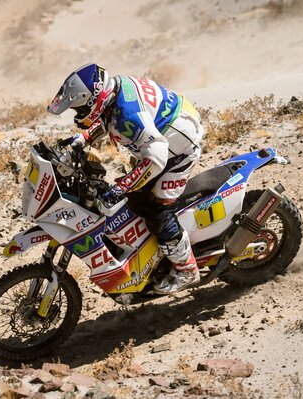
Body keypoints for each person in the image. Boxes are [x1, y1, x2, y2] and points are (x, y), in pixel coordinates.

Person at [47, 63, 205, 294]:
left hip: (178, 150)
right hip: (168, 131)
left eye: (79, 108)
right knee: (133, 198)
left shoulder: (128, 113)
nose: (78, 113)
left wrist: (120, 188)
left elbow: (156, 159)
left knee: (157, 208)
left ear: (93, 100)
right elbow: (109, 118)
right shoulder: (114, 93)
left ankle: (187, 269)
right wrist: (85, 138)